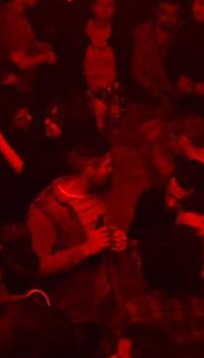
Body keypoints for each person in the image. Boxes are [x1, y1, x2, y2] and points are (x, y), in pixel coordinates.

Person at [27, 132, 129, 324]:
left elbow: (101, 237)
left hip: (106, 306)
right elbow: (37, 266)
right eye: (108, 165)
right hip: (74, 315)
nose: (112, 170)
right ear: (90, 171)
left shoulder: (100, 192)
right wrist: (85, 249)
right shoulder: (46, 209)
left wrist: (116, 240)